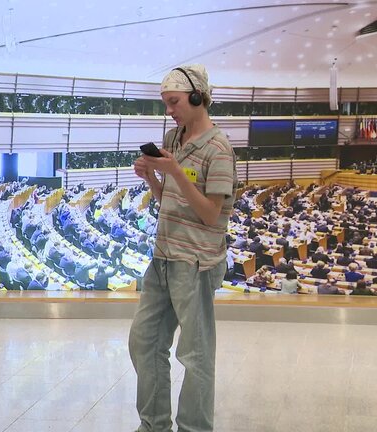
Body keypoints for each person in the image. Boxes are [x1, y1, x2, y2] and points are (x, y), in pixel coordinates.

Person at [128, 65, 236, 432]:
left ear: (196, 97)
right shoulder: (174, 139)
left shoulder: (218, 149)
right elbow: (169, 201)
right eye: (165, 103)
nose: (169, 110)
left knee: (195, 354)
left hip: (196, 263)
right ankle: (154, 424)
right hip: (163, 258)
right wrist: (154, 178)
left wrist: (173, 172)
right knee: (144, 342)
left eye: (173, 102)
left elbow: (209, 214)